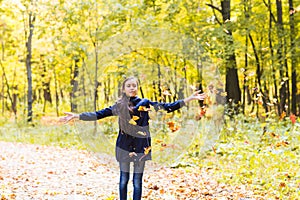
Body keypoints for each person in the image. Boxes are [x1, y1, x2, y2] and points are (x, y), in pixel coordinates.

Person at [60, 76, 206, 200]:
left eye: (134, 85)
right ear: (124, 89)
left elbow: (168, 107)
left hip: (142, 146)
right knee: (124, 180)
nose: (132, 88)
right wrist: (77, 116)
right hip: (123, 146)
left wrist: (190, 98)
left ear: (137, 87)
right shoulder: (119, 105)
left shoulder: (145, 103)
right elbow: (99, 114)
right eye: (128, 86)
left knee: (137, 182)